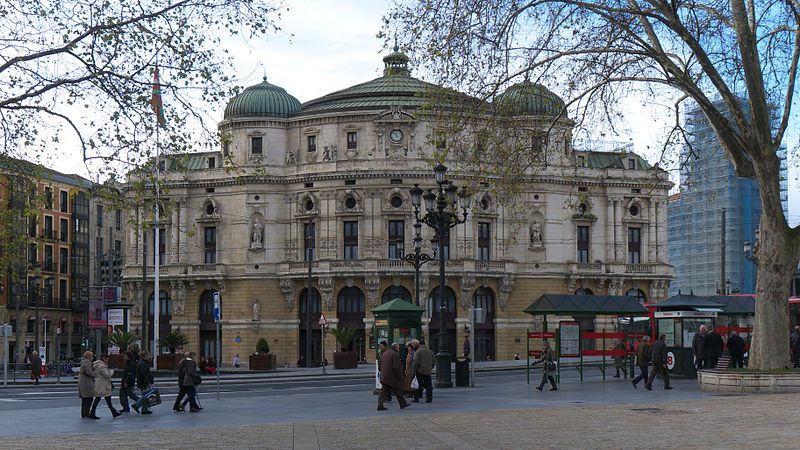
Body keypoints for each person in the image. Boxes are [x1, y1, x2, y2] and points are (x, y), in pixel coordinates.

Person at [377, 342, 409, 411]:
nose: (399, 349)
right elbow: (396, 367)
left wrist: (382, 371)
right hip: (391, 377)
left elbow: (380, 365)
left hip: (384, 376)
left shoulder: (385, 353)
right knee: (397, 390)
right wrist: (400, 377)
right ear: (395, 347)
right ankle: (403, 404)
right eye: (398, 347)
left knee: (384, 392)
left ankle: (380, 405)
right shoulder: (395, 354)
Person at [90, 354, 122, 419]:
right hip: (103, 384)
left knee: (101, 398)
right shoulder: (102, 366)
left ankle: (113, 412)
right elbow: (107, 375)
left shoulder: (97, 364)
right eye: (107, 359)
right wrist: (111, 370)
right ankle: (113, 412)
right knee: (103, 398)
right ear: (104, 358)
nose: (108, 360)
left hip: (100, 383)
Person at [78, 351, 96, 418]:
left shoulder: (83, 362)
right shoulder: (88, 362)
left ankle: (83, 413)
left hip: (82, 380)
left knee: (85, 398)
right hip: (86, 382)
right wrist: (95, 374)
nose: (93, 357)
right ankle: (86, 413)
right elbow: (89, 372)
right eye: (92, 356)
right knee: (89, 397)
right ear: (89, 357)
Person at [136, 350, 155, 415]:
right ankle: (137, 405)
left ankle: (144, 409)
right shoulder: (143, 363)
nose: (149, 356)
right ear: (145, 356)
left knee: (146, 396)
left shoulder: (142, 362)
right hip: (144, 382)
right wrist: (148, 382)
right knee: (145, 396)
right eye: (148, 355)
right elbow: (144, 374)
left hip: (142, 382)